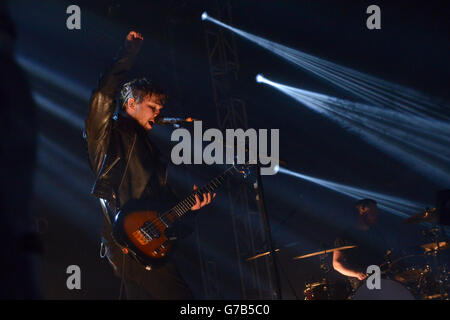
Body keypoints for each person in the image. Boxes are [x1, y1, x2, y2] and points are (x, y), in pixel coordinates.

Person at [84, 31, 215, 299]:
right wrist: (128, 52)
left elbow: (164, 211)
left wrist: (191, 208)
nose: (158, 114)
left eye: (159, 109)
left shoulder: (151, 151)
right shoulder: (108, 135)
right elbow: (103, 95)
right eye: (153, 107)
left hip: (148, 242)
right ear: (131, 103)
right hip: (125, 240)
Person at [332, 199, 389, 293]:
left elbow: (386, 257)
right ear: (362, 211)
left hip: (382, 280)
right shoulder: (345, 237)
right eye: (373, 212)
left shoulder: (377, 234)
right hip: (362, 284)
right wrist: (357, 273)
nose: (376, 215)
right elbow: (337, 264)